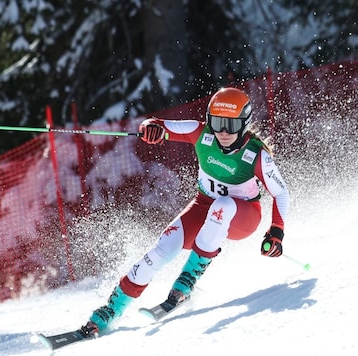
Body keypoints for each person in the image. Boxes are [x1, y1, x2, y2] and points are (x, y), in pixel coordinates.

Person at [78, 87, 290, 336]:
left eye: (231, 126)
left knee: (223, 206)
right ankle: (109, 311)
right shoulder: (201, 132)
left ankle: (186, 281)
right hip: (203, 206)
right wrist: (152, 129)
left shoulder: (256, 156)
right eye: (217, 123)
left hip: (243, 217)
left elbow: (281, 192)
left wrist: (276, 230)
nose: (222, 132)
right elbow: (156, 124)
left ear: (244, 124)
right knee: (161, 249)